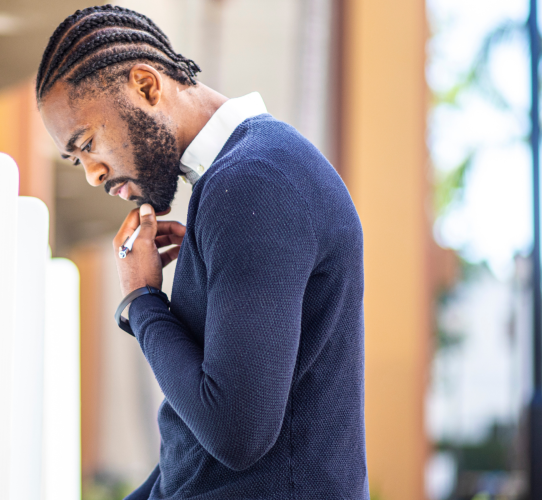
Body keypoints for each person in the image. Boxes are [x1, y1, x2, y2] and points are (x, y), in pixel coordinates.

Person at [36, 5, 367, 499]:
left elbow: (237, 434)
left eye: (87, 144)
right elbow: (194, 453)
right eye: (76, 158)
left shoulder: (255, 183)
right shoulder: (243, 180)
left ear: (147, 86)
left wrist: (142, 301)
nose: (92, 174)